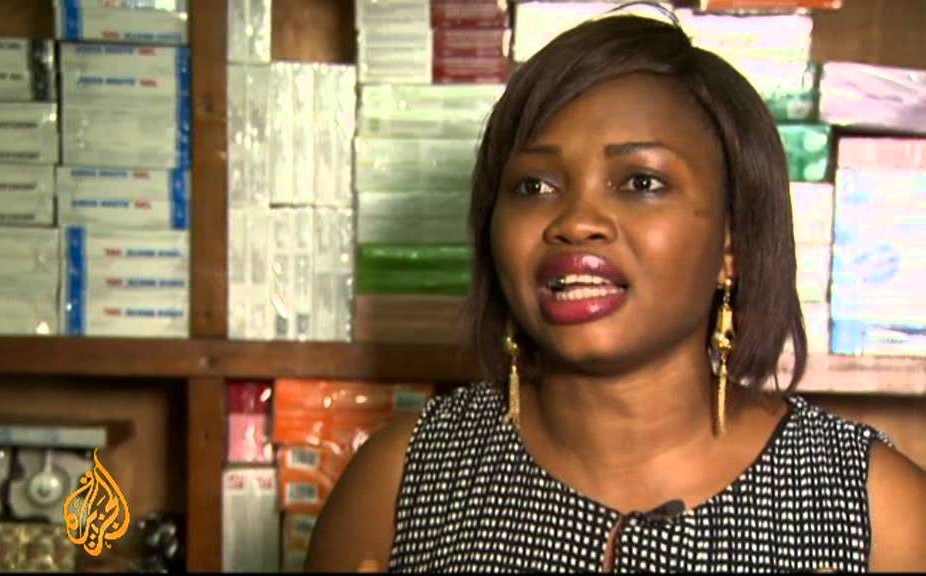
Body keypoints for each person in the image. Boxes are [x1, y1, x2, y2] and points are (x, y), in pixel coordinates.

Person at [306, 9, 926, 573]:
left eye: (641, 182)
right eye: (534, 186)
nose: (576, 221)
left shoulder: (881, 514)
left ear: (732, 245)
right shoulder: (398, 483)